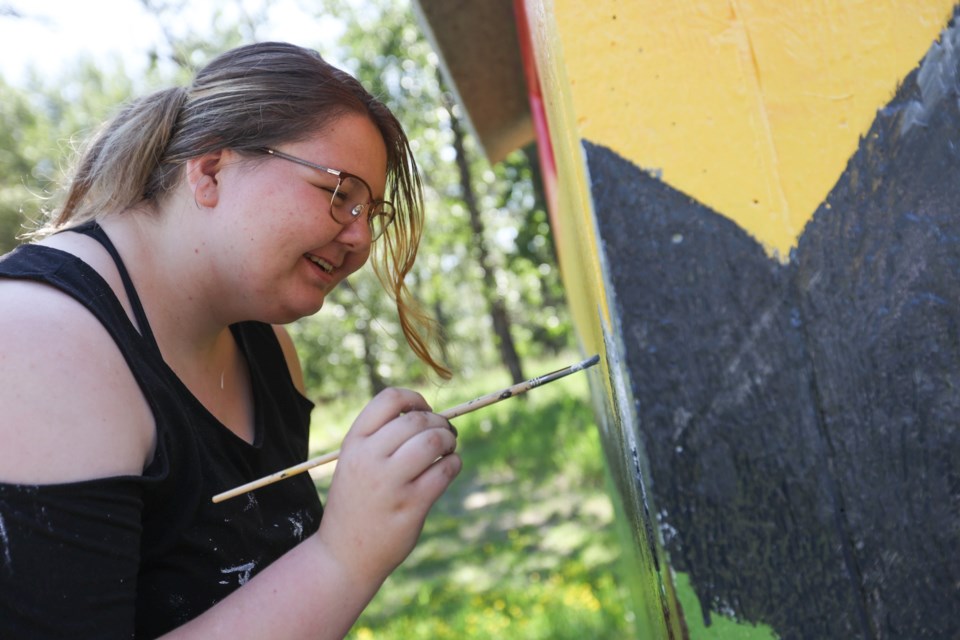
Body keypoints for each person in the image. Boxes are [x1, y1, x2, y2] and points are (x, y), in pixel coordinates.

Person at [0, 41, 461, 638]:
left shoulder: (266, 347)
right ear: (212, 170)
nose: (360, 240)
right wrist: (344, 556)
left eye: (371, 212)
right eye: (340, 194)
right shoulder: (42, 340)